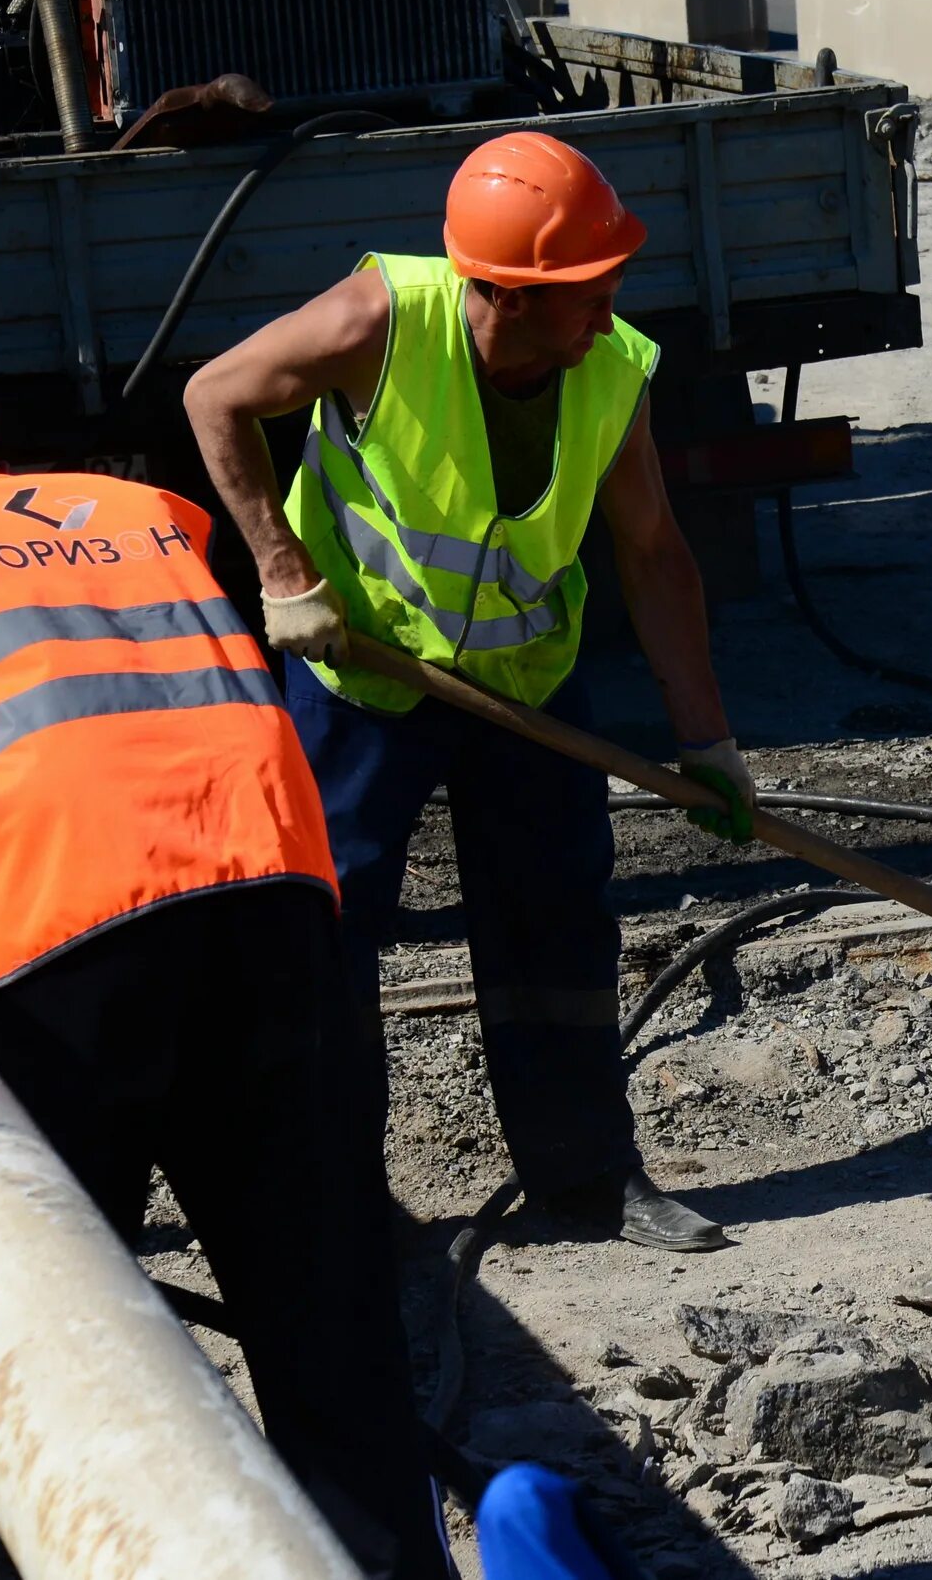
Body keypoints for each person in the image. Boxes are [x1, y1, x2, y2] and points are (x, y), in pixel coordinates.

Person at [0, 342, 442, 1573]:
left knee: (52, 1339)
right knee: (330, 1332)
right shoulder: (146, 514)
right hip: (279, 908)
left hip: (57, 956)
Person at [184, 130, 746, 1255]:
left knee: (558, 931)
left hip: (525, 691)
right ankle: (334, 1197)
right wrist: (282, 572)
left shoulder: (611, 369)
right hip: (362, 678)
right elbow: (214, 398)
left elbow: (653, 553)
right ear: (504, 293)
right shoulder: (378, 321)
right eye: (583, 293)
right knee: (329, 934)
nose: (608, 310)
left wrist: (708, 739)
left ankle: (587, 1178)